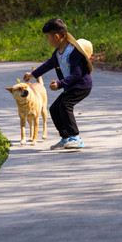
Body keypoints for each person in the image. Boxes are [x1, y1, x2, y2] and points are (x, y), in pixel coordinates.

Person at [23, 18, 93, 150]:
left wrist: (60, 84)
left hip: (81, 86)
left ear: (56, 36)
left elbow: (77, 74)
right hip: (71, 86)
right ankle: (66, 138)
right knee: (54, 108)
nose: (48, 41)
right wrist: (33, 75)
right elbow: (48, 65)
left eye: (48, 38)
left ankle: (76, 138)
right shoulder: (57, 53)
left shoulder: (73, 52)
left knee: (65, 105)